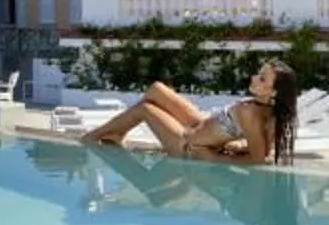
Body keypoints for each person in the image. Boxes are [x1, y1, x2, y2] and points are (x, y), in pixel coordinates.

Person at [82, 62, 286, 159]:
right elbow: (262, 147)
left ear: (274, 92)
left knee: (145, 109)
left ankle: (94, 137)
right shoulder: (263, 108)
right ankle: (117, 132)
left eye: (262, 79)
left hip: (186, 144)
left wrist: (215, 159)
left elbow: (259, 160)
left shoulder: (253, 114)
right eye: (259, 74)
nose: (253, 78)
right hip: (199, 125)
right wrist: (239, 144)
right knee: (156, 89)